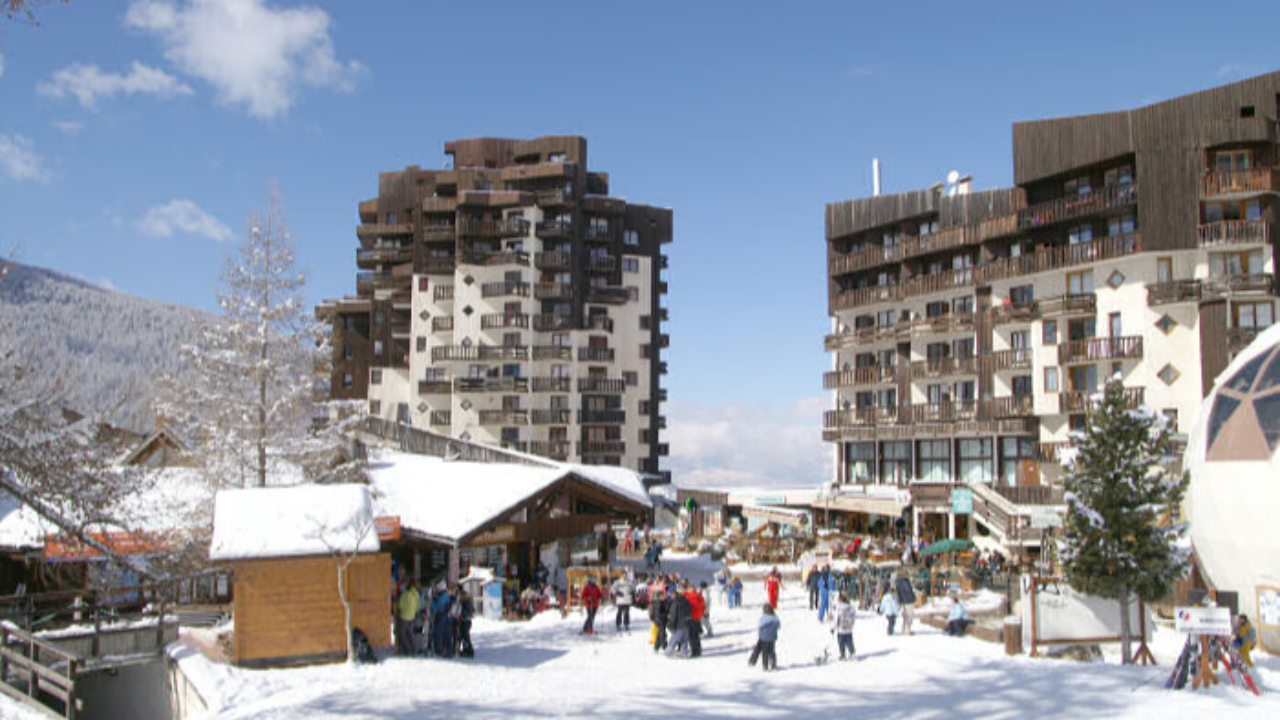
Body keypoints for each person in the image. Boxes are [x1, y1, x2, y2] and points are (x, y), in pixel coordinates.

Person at [748, 603, 781, 671]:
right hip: (772, 638)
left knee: (763, 651)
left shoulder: (763, 618)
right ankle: (773, 664)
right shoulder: (776, 618)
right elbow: (778, 627)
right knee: (772, 651)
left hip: (763, 638)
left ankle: (763, 665)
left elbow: (760, 626)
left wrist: (760, 633)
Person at [395, 579, 421, 656]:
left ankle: (408, 650)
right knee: (410, 633)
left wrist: (398, 614)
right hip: (412, 616)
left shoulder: (405, 594)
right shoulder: (416, 594)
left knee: (402, 633)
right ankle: (414, 649)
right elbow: (418, 606)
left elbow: (400, 605)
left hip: (404, 616)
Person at [666, 585, 692, 658]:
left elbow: (673, 615)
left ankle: (668, 652)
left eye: (671, 594)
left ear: (674, 594)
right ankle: (684, 652)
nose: (670, 596)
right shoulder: (685, 600)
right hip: (687, 623)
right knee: (684, 639)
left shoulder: (675, 603)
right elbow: (689, 611)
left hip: (679, 624)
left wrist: (670, 625)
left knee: (674, 639)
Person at [830, 591, 856, 660]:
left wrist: (833, 628)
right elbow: (853, 617)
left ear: (840, 599)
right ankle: (852, 652)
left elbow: (836, 620)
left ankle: (842, 654)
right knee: (849, 642)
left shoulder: (838, 608)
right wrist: (851, 625)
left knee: (841, 643)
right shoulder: (850, 607)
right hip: (849, 628)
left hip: (841, 630)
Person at [431, 582, 454, 657]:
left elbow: (437, 607)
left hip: (441, 617)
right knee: (447, 635)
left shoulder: (442, 597)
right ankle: (449, 651)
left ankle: (439, 651)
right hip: (447, 617)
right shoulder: (446, 596)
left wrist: (433, 602)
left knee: (437, 634)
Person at [685, 582, 706, 657]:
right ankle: (698, 650)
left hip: (690, 618)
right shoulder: (699, 596)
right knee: (696, 635)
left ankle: (694, 651)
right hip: (697, 618)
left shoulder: (687, 596)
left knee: (691, 636)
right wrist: (700, 614)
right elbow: (703, 607)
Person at [454, 586, 475, 658]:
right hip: (465, 621)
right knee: (463, 636)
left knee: (465, 636)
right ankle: (465, 650)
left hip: (465, 621)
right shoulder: (465, 599)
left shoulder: (465, 600)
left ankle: (469, 651)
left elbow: (470, 611)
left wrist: (462, 615)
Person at [649, 586, 669, 652]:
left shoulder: (662, 602)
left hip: (661, 620)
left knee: (660, 634)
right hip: (660, 621)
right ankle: (664, 647)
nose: (664, 597)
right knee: (663, 634)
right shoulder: (658, 603)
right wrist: (666, 615)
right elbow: (658, 614)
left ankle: (656, 647)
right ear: (659, 596)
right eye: (663, 596)